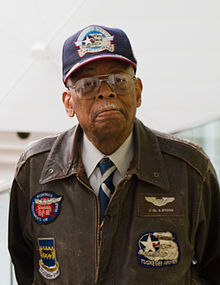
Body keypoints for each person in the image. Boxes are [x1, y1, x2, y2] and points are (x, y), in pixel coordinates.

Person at [8, 25, 220, 285]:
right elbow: (25, 264)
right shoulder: (35, 170)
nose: (106, 91)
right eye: (87, 85)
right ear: (68, 102)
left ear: (138, 91)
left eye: (119, 80)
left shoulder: (189, 170)